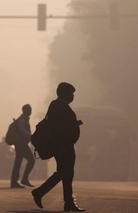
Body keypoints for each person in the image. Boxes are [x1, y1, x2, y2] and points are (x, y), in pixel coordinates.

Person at [32, 82, 85, 212]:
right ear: (65, 93)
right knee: (64, 173)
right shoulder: (59, 106)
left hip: (64, 144)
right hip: (63, 145)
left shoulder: (57, 105)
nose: (72, 96)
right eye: (71, 93)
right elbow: (58, 128)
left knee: (66, 173)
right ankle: (41, 193)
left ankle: (68, 203)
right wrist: (73, 126)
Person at [10, 104, 35, 188]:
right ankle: (21, 180)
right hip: (21, 144)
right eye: (29, 110)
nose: (31, 111)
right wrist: (31, 136)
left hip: (21, 144)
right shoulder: (22, 120)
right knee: (31, 160)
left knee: (18, 162)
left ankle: (15, 181)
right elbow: (23, 131)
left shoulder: (24, 119)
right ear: (25, 111)